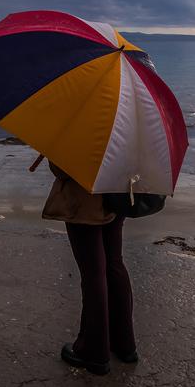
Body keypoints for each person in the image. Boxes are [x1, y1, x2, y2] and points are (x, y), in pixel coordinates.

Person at [39, 157, 137, 376]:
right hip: (117, 194)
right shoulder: (126, 122)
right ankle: (125, 345)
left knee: (94, 272)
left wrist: (52, 152)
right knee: (114, 263)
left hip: (84, 201)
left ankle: (93, 351)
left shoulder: (81, 124)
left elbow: (63, 169)